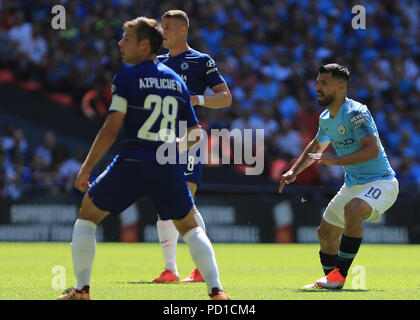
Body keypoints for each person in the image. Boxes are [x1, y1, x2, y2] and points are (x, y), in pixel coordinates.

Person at [58, 16, 230, 300]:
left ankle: (82, 290)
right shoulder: (176, 82)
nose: (120, 43)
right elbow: (197, 133)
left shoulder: (126, 78)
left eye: (126, 38)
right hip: (167, 165)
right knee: (189, 227)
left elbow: (110, 128)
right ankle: (217, 292)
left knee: (86, 219)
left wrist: (86, 168)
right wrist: (172, 150)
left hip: (132, 162)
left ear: (144, 45)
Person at [279, 63, 398, 289]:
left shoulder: (356, 113)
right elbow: (317, 145)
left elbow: (372, 149)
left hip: (381, 182)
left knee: (352, 210)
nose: (317, 87)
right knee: (325, 233)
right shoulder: (326, 117)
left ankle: (337, 277)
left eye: (324, 83)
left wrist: (337, 160)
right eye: (317, 82)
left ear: (341, 87)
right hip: (352, 185)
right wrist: (294, 170)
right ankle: (332, 281)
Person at [152, 9, 232, 283]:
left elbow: (225, 98)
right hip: (160, 138)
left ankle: (200, 269)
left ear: (183, 30)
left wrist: (197, 99)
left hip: (189, 136)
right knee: (164, 204)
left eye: (169, 27)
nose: (163, 32)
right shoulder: (156, 62)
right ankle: (170, 270)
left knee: (184, 201)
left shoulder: (200, 61)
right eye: (162, 27)